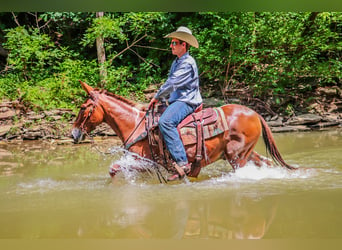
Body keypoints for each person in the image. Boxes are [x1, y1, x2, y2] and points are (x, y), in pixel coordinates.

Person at [148, 26, 202, 181]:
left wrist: (157, 97)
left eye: (174, 43)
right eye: (171, 43)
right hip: (177, 99)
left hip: (187, 101)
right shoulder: (176, 61)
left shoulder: (187, 63)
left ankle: (182, 162)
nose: (171, 46)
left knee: (166, 122)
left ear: (183, 45)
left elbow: (172, 83)